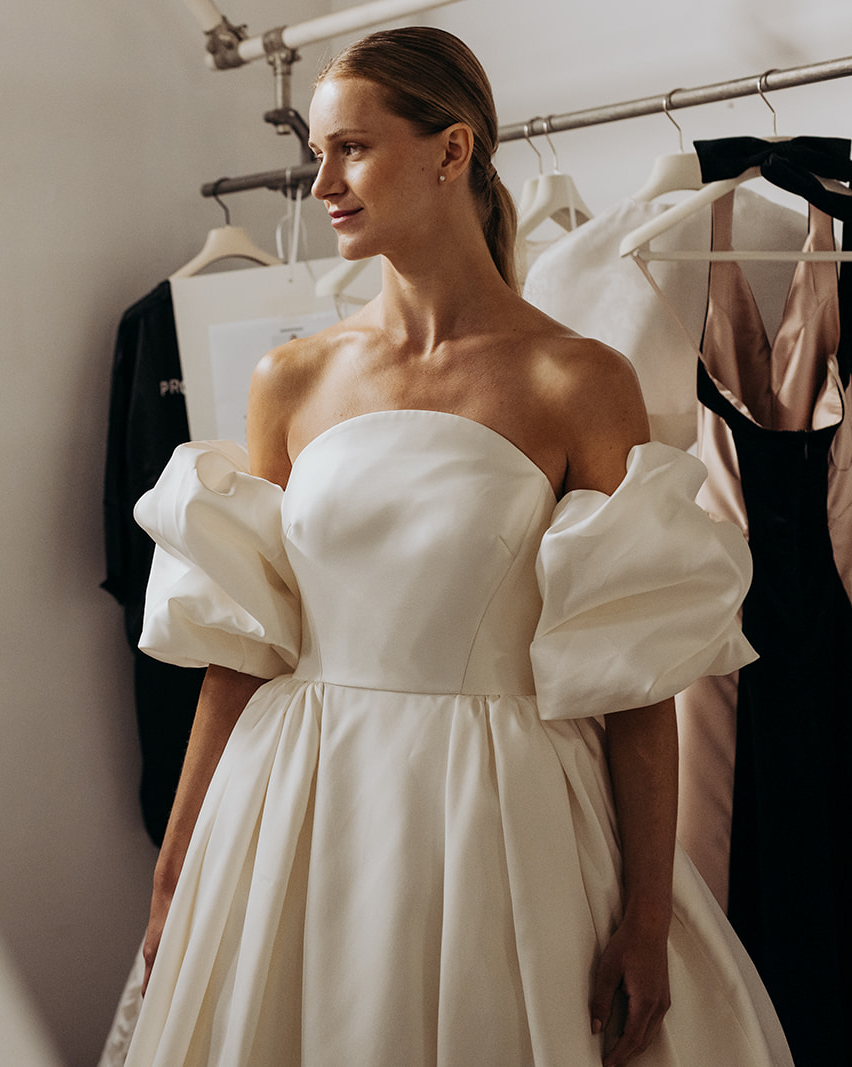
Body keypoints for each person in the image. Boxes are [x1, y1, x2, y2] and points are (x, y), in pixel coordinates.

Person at [113, 26, 792, 1067]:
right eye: (318, 154)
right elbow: (241, 652)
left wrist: (648, 916)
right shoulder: (290, 379)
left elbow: (632, 675)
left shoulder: (578, 379)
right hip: (298, 798)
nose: (321, 184)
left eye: (351, 149)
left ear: (452, 149)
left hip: (501, 809)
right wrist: (175, 876)